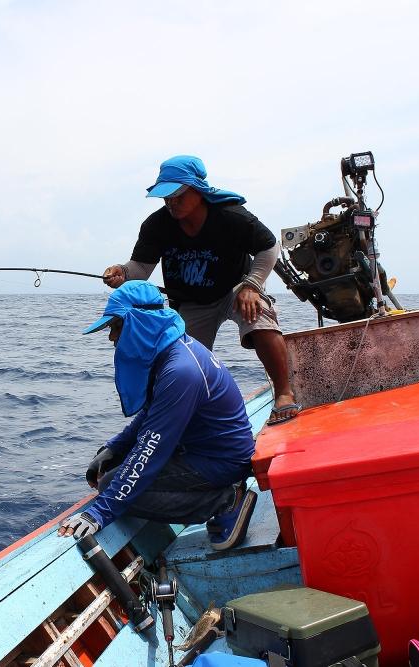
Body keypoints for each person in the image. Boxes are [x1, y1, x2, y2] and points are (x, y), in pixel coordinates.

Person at [57, 281, 257, 551]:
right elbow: (152, 415)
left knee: (110, 485)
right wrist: (113, 448)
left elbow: (151, 449)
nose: (111, 338)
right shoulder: (172, 352)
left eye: (116, 327)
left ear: (139, 323)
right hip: (205, 451)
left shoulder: (180, 371)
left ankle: (225, 500)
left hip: (221, 461)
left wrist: (99, 513)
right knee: (118, 475)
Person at [102, 155, 301, 425]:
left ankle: (284, 393)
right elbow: (140, 268)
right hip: (192, 302)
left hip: (236, 290)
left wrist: (252, 284)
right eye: (166, 196)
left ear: (197, 190)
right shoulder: (156, 225)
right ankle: (193, 414)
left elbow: (269, 247)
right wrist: (122, 272)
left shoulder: (231, 216)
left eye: (177, 195)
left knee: (259, 315)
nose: (171, 202)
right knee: (183, 358)